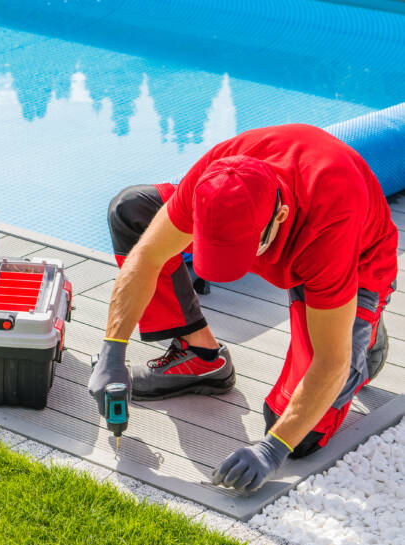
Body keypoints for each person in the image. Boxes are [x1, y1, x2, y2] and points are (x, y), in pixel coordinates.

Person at [88, 124, 398, 494]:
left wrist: (272, 449)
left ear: (279, 217)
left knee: (299, 433)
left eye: (241, 251)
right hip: (291, 237)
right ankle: (201, 357)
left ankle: (366, 340)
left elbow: (330, 362)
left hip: (354, 265)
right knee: (132, 211)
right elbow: (147, 257)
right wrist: (113, 350)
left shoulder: (329, 227)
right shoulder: (213, 178)